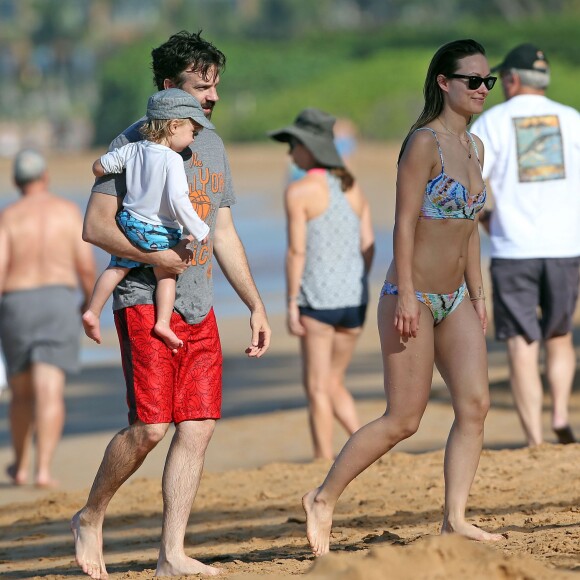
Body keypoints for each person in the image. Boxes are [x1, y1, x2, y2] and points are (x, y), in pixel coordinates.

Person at [71, 30, 271, 579]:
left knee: (198, 426)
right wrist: (155, 256)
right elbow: (94, 227)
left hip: (200, 301)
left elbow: (223, 232)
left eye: (215, 87)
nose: (211, 98)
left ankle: (171, 553)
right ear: (168, 88)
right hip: (141, 297)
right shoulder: (133, 143)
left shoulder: (213, 145)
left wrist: (254, 304)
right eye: (200, 87)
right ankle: (90, 516)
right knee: (151, 428)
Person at [302, 39, 505, 557]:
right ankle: (322, 498)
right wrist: (409, 296)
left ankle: (454, 519)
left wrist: (479, 294)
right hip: (408, 293)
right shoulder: (424, 143)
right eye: (472, 81)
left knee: (475, 405)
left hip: (457, 296)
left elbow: (470, 226)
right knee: (403, 419)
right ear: (444, 82)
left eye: (489, 81)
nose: (483, 89)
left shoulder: (475, 147)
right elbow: (404, 223)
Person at [472, 44, 580, 446]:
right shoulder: (572, 120)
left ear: (514, 80)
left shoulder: (492, 123)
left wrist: (484, 220)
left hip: (513, 246)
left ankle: (534, 437)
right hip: (566, 244)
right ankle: (560, 416)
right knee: (560, 335)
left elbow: (471, 183)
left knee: (521, 341)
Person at [268, 108, 374, 460]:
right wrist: (356, 279)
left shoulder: (299, 191)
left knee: (317, 387)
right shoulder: (353, 186)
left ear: (308, 148)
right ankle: (367, 443)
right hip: (353, 300)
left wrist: (291, 302)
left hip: (318, 300)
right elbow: (368, 245)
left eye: (293, 144)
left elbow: (297, 251)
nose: (289, 153)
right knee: (333, 382)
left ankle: (322, 458)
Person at [83, 88, 212, 352]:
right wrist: (198, 229)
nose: (193, 139)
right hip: (156, 230)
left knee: (117, 267)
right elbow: (178, 200)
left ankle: (93, 311)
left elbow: (99, 167)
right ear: (174, 126)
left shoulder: (132, 150)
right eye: (192, 133)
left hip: (129, 223)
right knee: (167, 272)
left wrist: (100, 165)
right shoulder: (172, 159)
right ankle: (163, 322)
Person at [0, 149, 96, 488]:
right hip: (57, 301)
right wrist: (89, 305)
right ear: (46, 177)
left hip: (17, 302)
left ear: (16, 181)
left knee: (21, 392)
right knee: (50, 391)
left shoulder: (8, 216)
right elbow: (85, 266)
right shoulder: (67, 212)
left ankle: (21, 466)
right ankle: (43, 470)